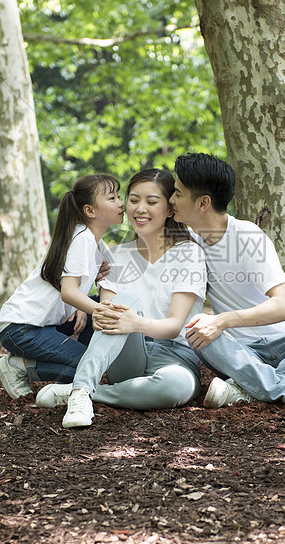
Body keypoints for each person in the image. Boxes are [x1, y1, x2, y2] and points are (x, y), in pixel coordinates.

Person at [168, 152, 285, 409]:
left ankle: (253, 389)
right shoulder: (189, 245)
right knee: (196, 332)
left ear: (203, 203)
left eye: (178, 193)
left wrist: (223, 320)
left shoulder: (247, 236)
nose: (171, 199)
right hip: (242, 355)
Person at [35, 168, 207, 428]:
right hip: (126, 356)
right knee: (122, 301)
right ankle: (81, 394)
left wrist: (135, 323)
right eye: (133, 199)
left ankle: (83, 392)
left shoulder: (189, 253)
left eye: (152, 202)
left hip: (176, 356)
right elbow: (104, 320)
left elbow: (174, 326)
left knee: (176, 387)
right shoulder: (114, 256)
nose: (140, 209)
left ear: (170, 209)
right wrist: (127, 322)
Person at [0, 174, 124, 399]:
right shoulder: (82, 238)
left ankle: (81, 356)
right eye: (112, 198)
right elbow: (68, 292)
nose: (121, 203)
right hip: (21, 328)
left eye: (119, 196)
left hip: (42, 325)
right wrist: (98, 310)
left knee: (97, 312)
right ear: (90, 211)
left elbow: (77, 288)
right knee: (87, 368)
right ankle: (17, 366)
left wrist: (82, 308)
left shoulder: (95, 243)